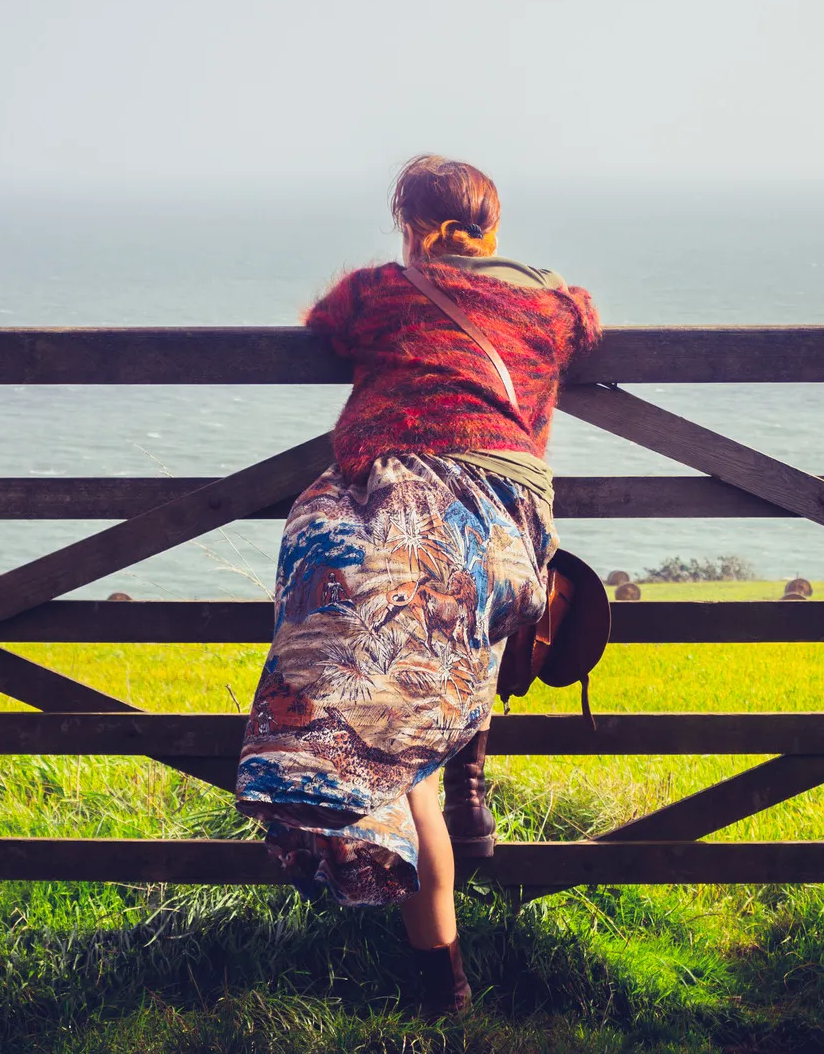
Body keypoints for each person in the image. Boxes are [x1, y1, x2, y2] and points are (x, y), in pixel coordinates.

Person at [234, 154, 601, 1017]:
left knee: (371, 722)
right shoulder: (554, 301)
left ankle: (445, 972)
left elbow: (325, 322)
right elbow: (583, 323)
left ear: (408, 223)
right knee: (420, 718)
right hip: (507, 531)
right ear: (494, 225)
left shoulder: (379, 291)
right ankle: (465, 751)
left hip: (403, 517)